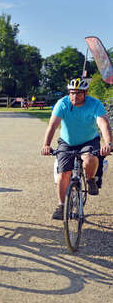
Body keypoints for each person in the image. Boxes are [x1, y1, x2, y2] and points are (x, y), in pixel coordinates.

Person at [41, 78, 112, 219]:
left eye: (79, 93)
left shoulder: (95, 104)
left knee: (90, 158)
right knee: (63, 173)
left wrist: (108, 143)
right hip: (67, 142)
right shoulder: (62, 103)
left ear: (86, 93)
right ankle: (61, 206)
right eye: (72, 93)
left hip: (89, 140)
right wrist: (46, 145)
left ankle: (91, 179)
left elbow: (103, 124)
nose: (74, 96)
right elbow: (52, 125)